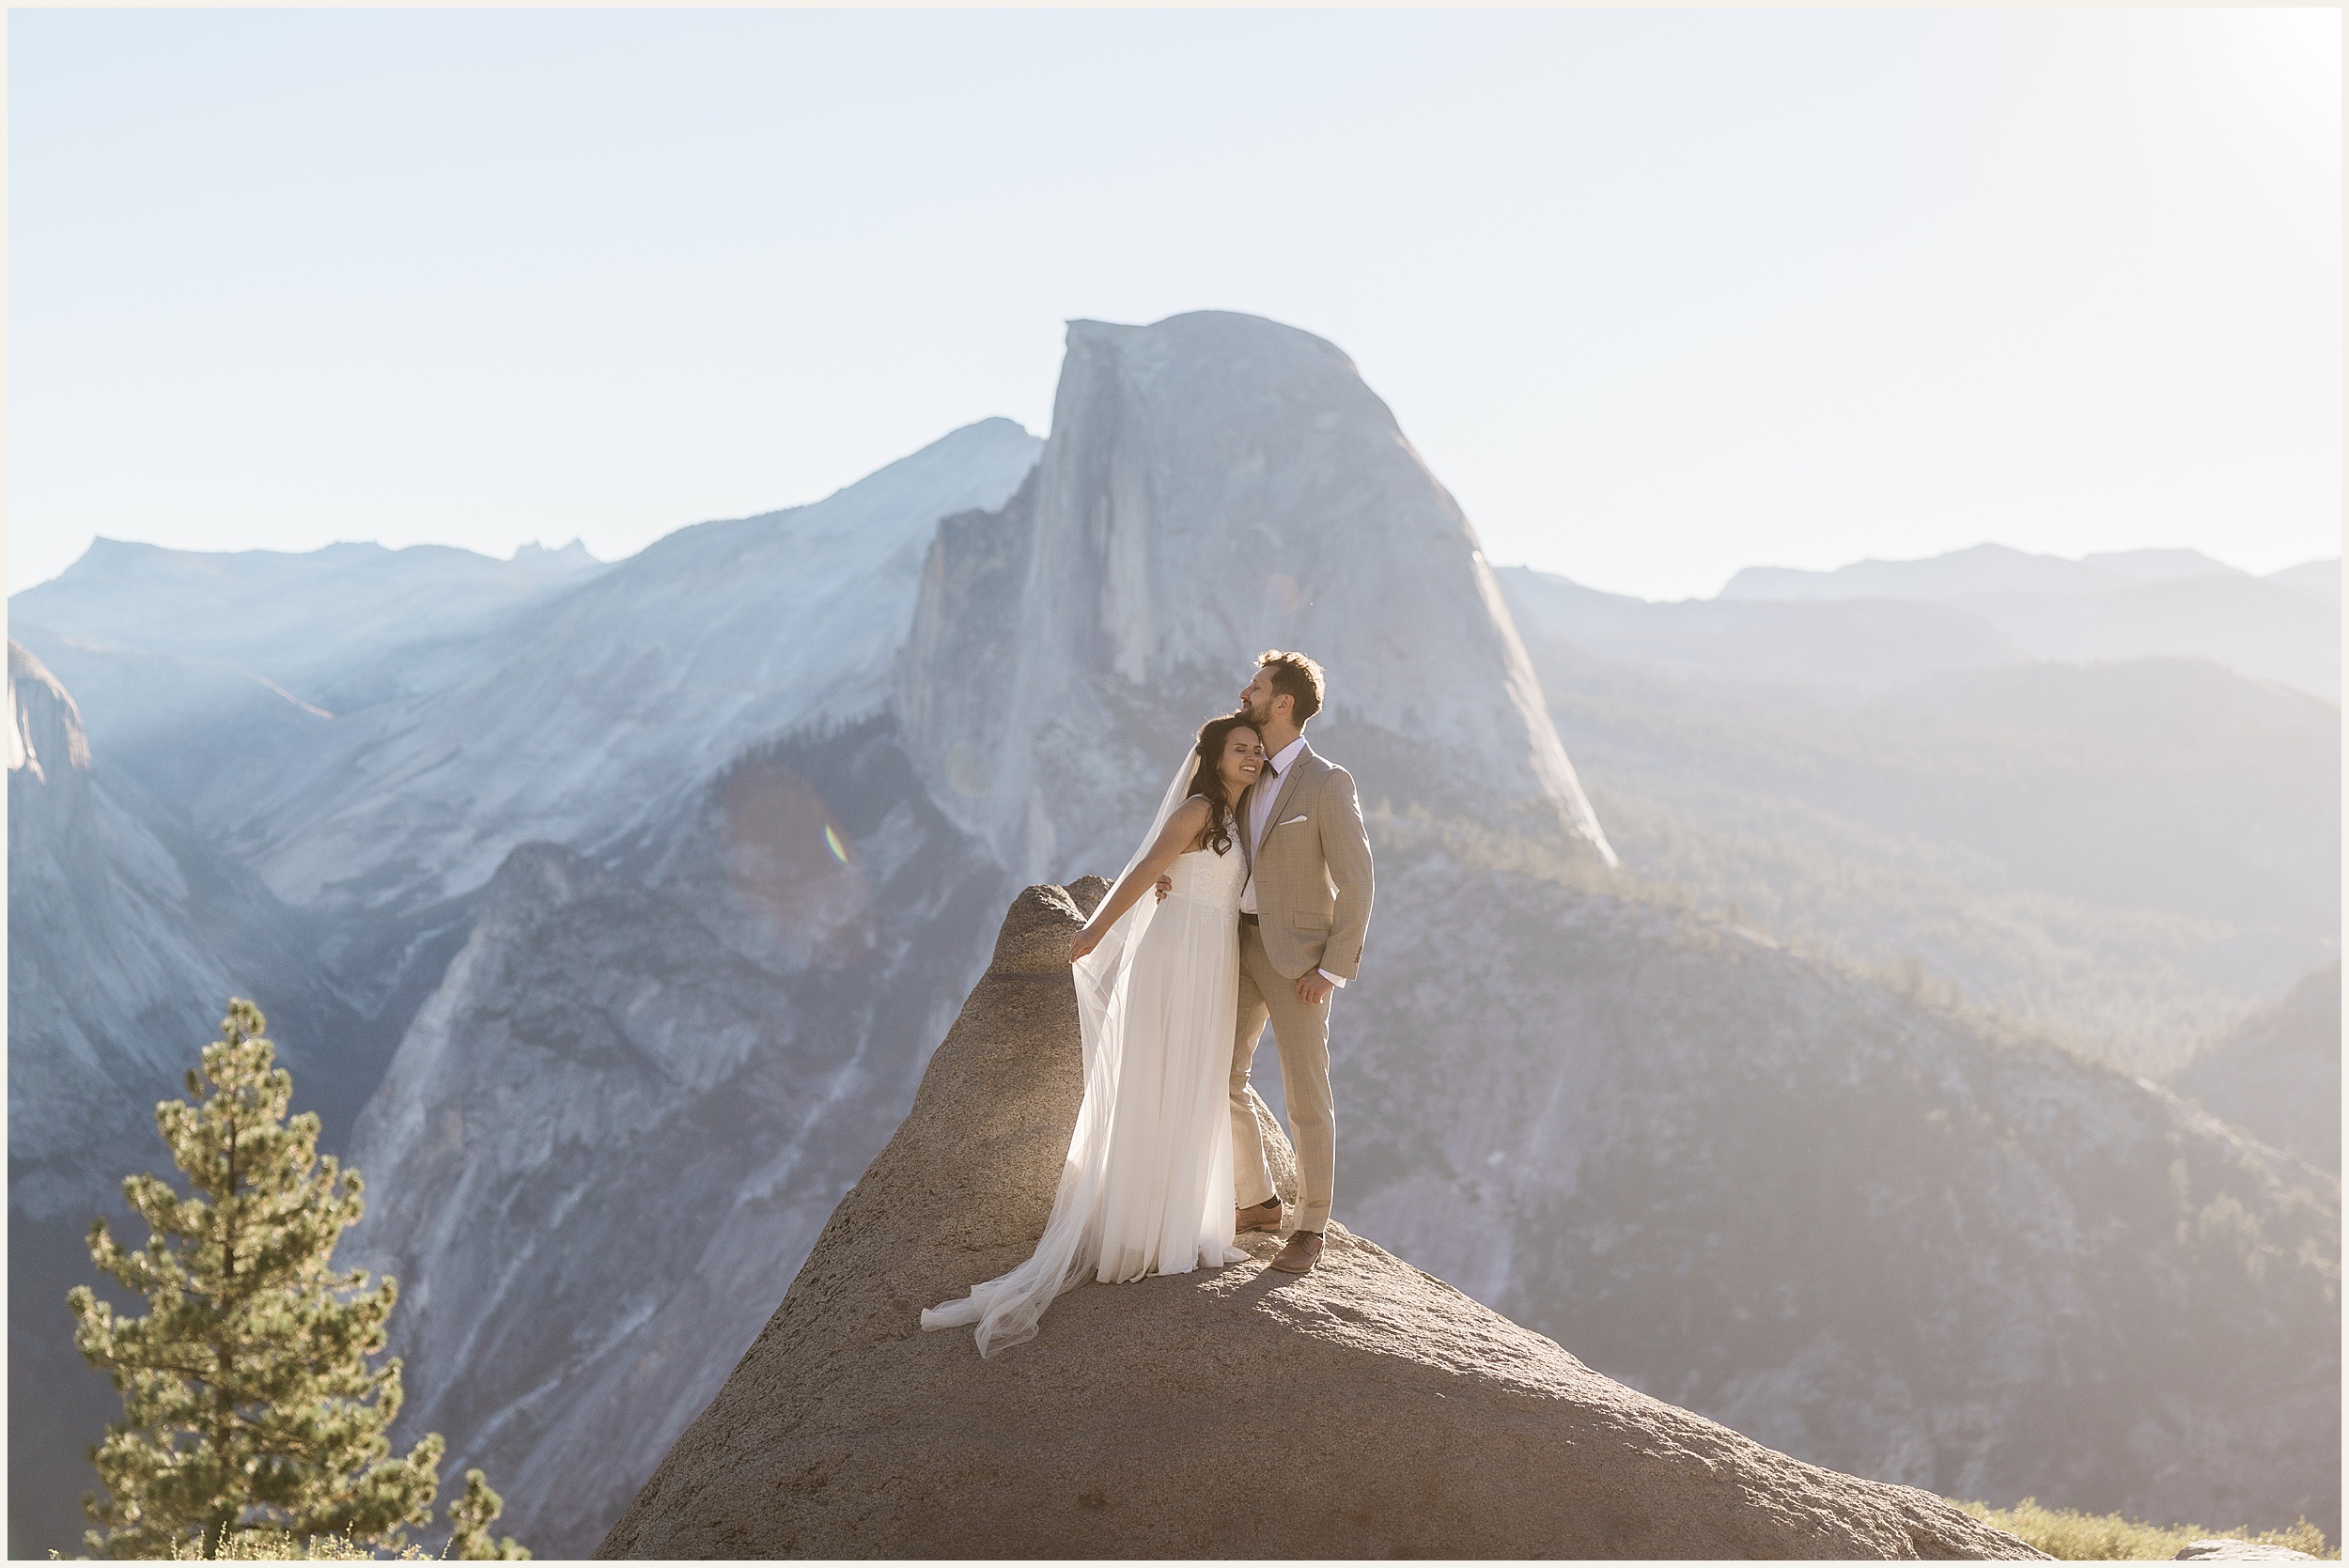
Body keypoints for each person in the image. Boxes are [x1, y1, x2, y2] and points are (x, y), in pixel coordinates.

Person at [920, 712, 1268, 1356]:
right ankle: (1143, 1232)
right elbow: (1143, 870)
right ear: (1215, 758)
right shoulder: (1197, 809)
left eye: (1256, 748)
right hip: (1174, 958)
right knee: (1159, 1078)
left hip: (1211, 960)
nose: (1250, 756)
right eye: (1239, 748)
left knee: (1191, 1082)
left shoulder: (1243, 817)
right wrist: (1096, 931)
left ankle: (1179, 1222)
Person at [1220, 650, 1374, 1276]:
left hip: (1300, 963)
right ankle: (1257, 1200)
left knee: (1307, 1098)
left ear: (1283, 702)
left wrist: (1332, 968)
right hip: (1236, 946)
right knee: (1217, 1075)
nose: (1245, 692)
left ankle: (1310, 1228)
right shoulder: (1244, 767)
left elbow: (1359, 881)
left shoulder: (1328, 782)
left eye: (1255, 686)